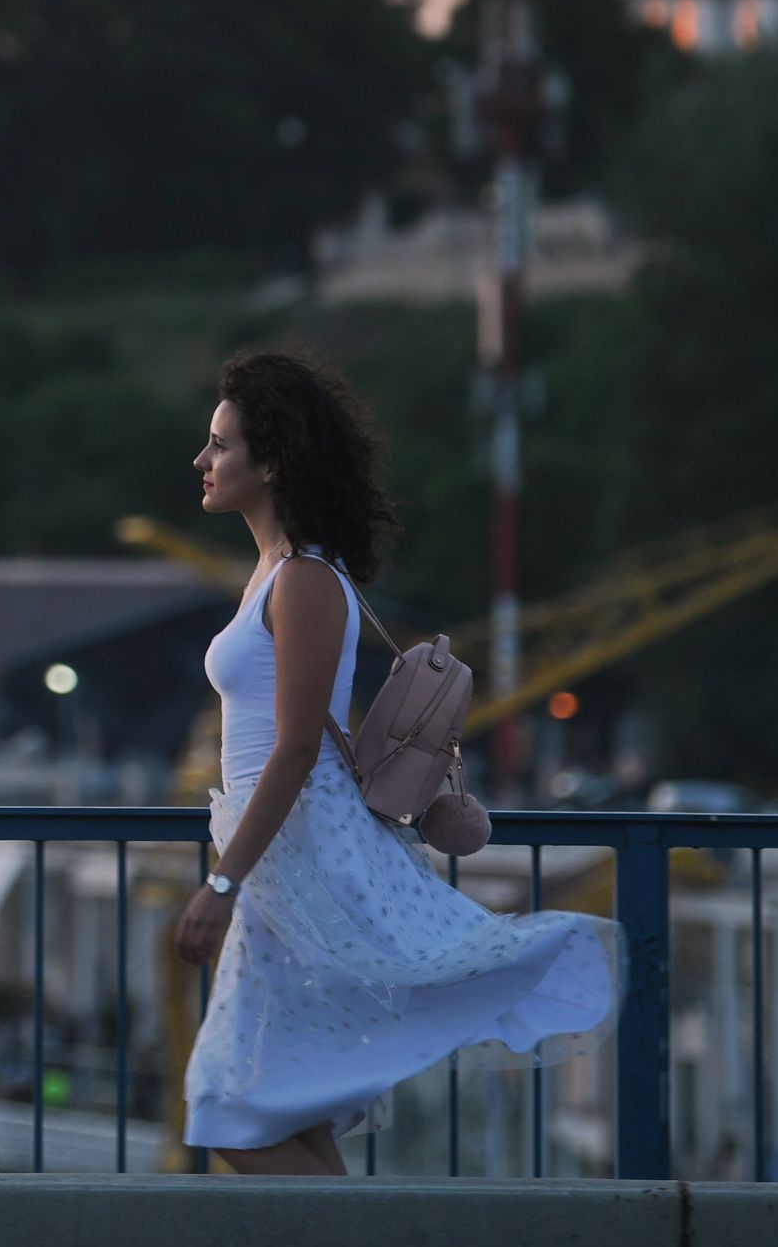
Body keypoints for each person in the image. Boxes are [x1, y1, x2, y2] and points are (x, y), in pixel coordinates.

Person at [173, 346, 619, 1173]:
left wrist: (221, 883)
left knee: (233, 1107)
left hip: (297, 850)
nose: (202, 460)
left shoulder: (302, 579)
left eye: (221, 444)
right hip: (281, 857)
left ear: (269, 462)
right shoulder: (271, 572)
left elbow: (299, 748)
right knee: (272, 1108)